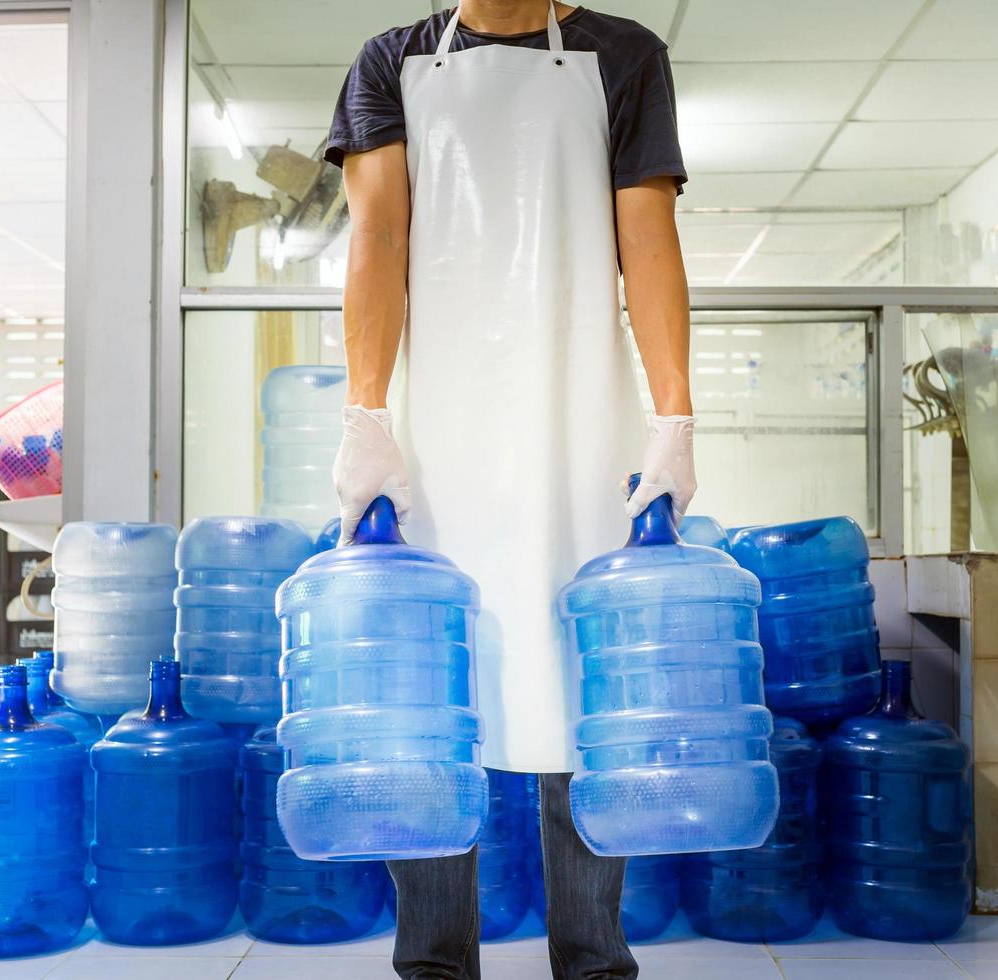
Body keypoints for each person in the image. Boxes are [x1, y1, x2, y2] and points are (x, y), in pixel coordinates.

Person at [325, 2, 694, 977]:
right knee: (428, 702)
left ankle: (593, 960)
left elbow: (646, 238)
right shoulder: (392, 63)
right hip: (435, 436)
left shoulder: (622, 55)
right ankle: (434, 965)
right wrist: (365, 417)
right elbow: (379, 237)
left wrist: (673, 416)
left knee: (579, 688)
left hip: (578, 421)